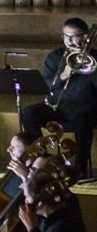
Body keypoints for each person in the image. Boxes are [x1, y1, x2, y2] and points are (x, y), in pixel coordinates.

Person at [21, 17, 97, 177]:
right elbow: (47, 86)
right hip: (58, 106)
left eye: (73, 36)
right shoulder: (55, 57)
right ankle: (43, 159)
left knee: (83, 120)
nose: (69, 41)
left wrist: (88, 66)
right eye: (65, 36)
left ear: (85, 37)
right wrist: (64, 74)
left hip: (86, 107)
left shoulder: (95, 58)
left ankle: (80, 169)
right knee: (28, 113)